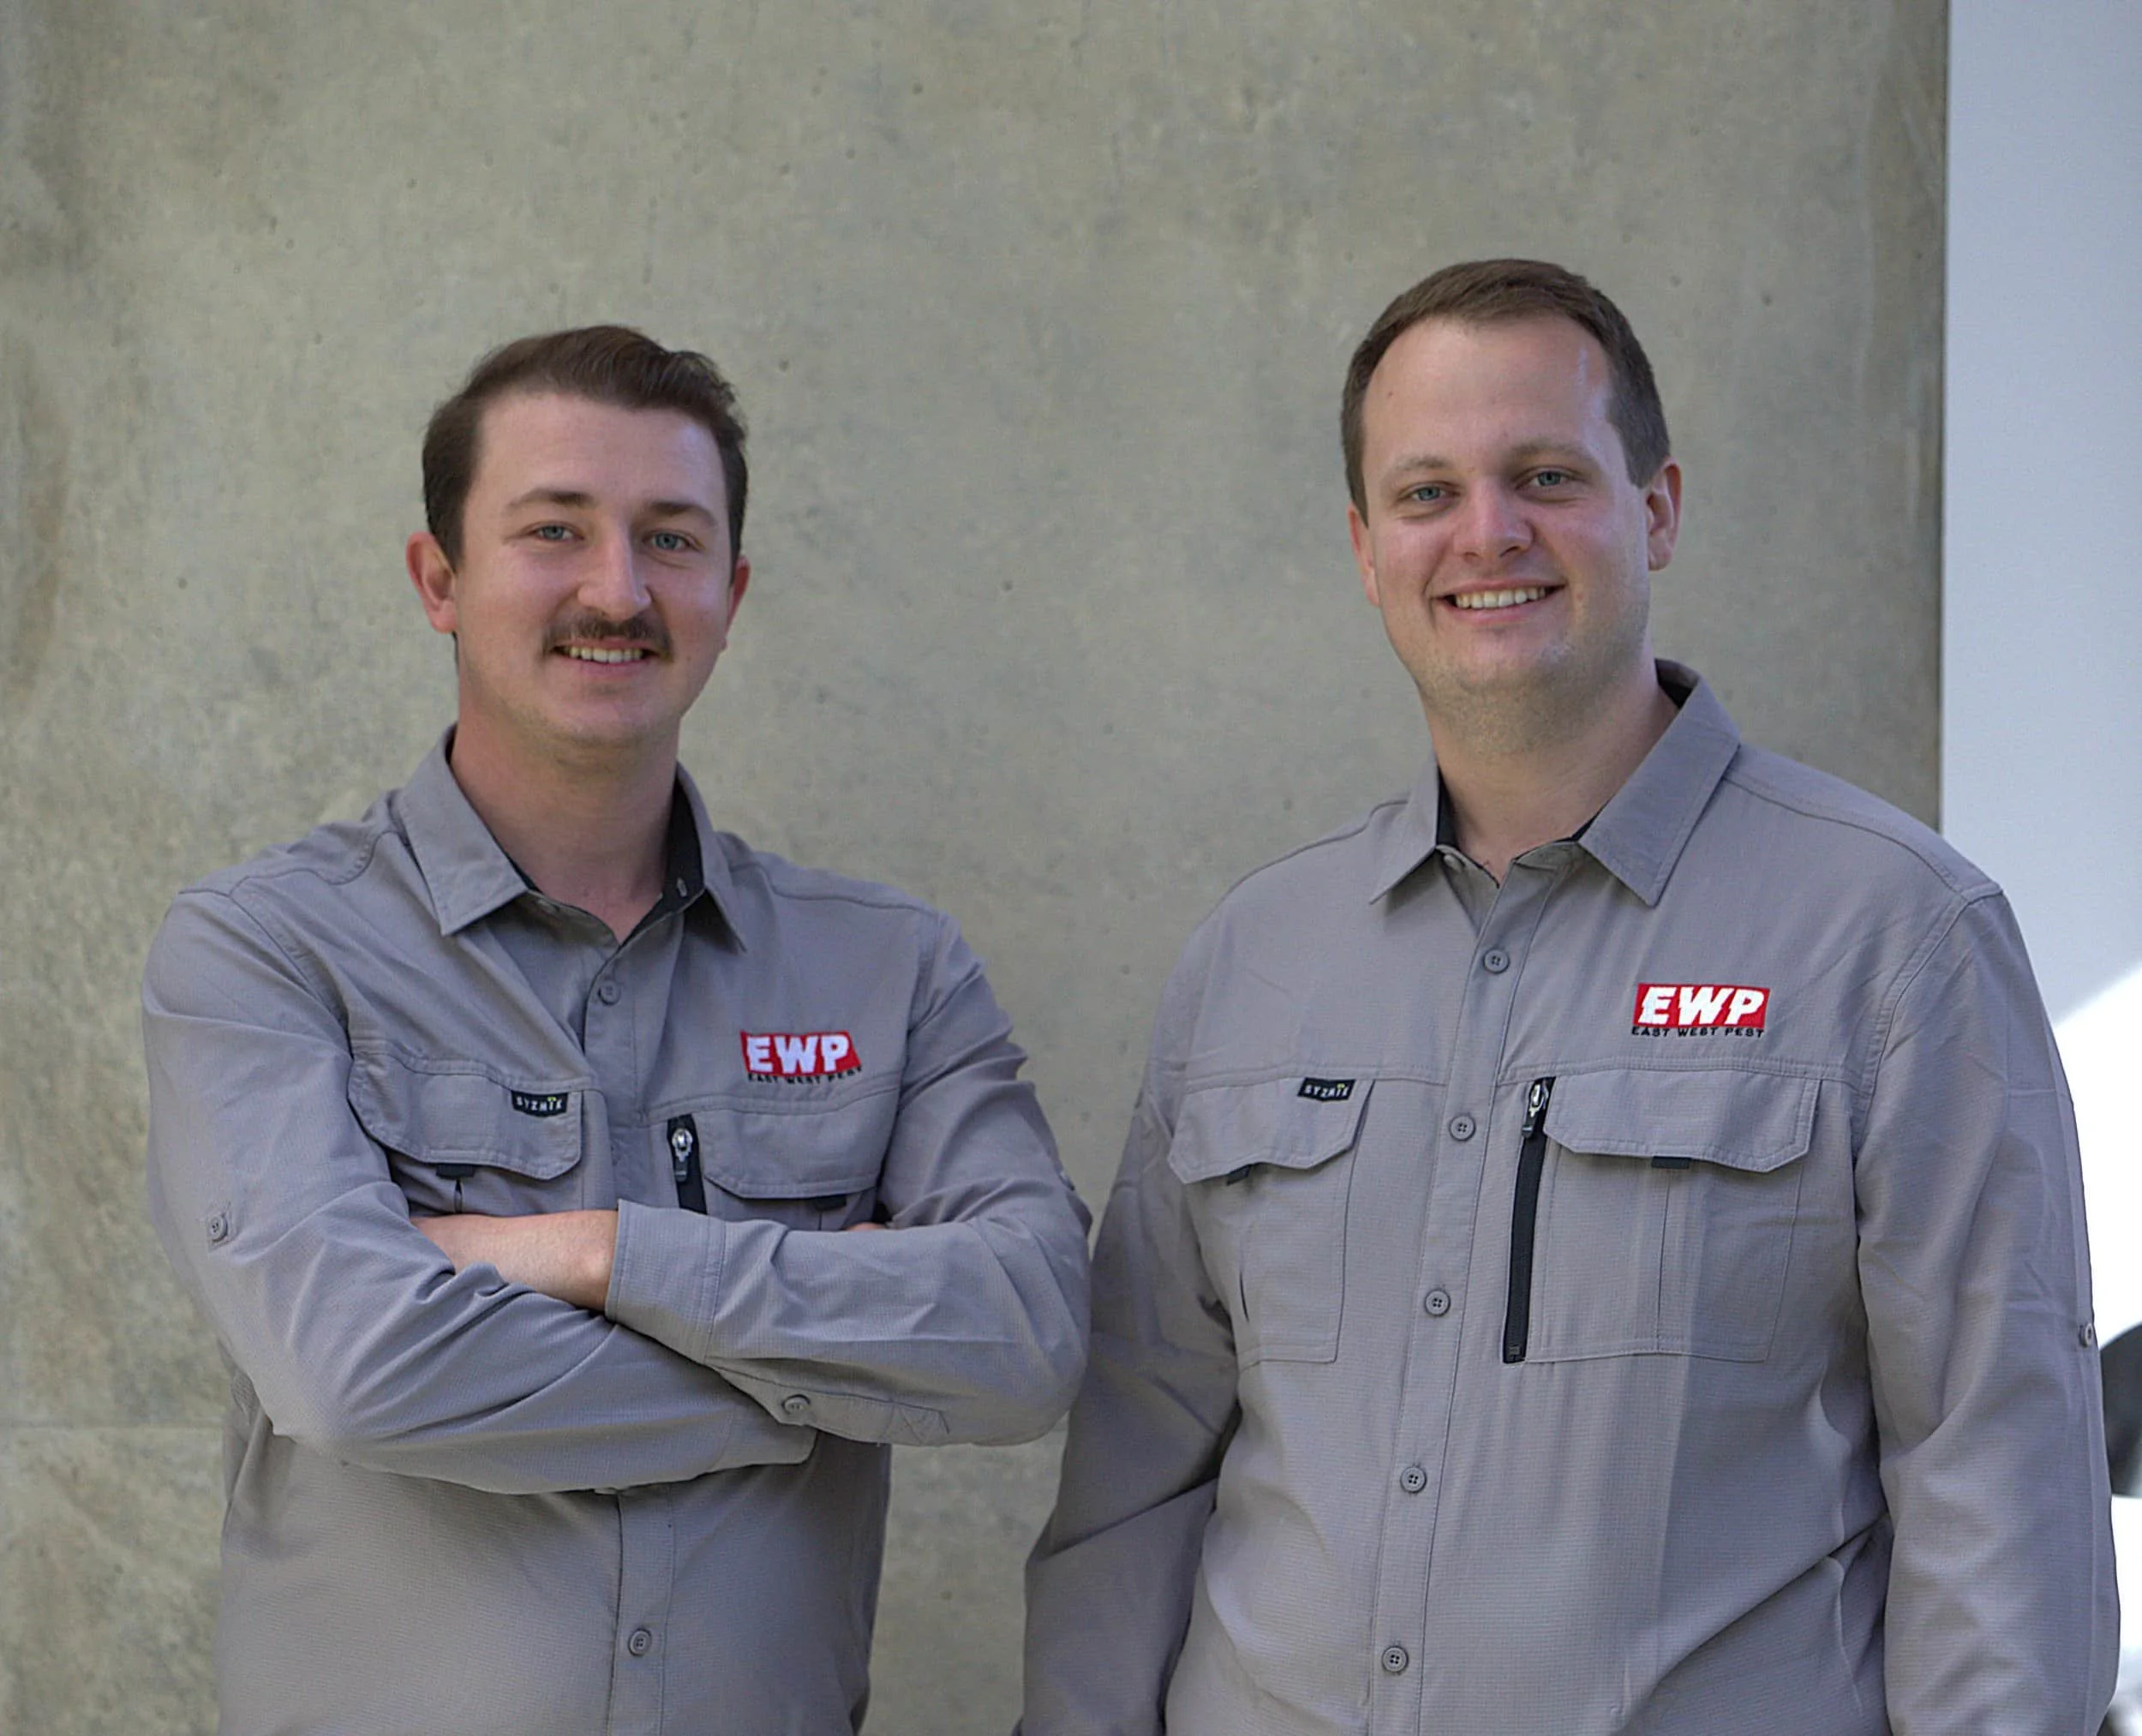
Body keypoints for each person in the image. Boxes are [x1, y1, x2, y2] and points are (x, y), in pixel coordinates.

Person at [1021, 259, 2115, 1733]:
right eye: (1427, 492)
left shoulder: (1896, 935)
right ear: (1365, 548)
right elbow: (1135, 1475)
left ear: (1657, 508)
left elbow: (1999, 1480)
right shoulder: (1254, 957)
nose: (1488, 532)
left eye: (1546, 474)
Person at [143, 326, 1090, 1736]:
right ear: (438, 579)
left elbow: (1029, 1332)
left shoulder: (889, 968)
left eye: (671, 537)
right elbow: (358, 1369)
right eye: (555, 529)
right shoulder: (266, 951)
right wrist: (831, 1379)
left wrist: (593, 1253)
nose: (618, 588)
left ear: (732, 591)